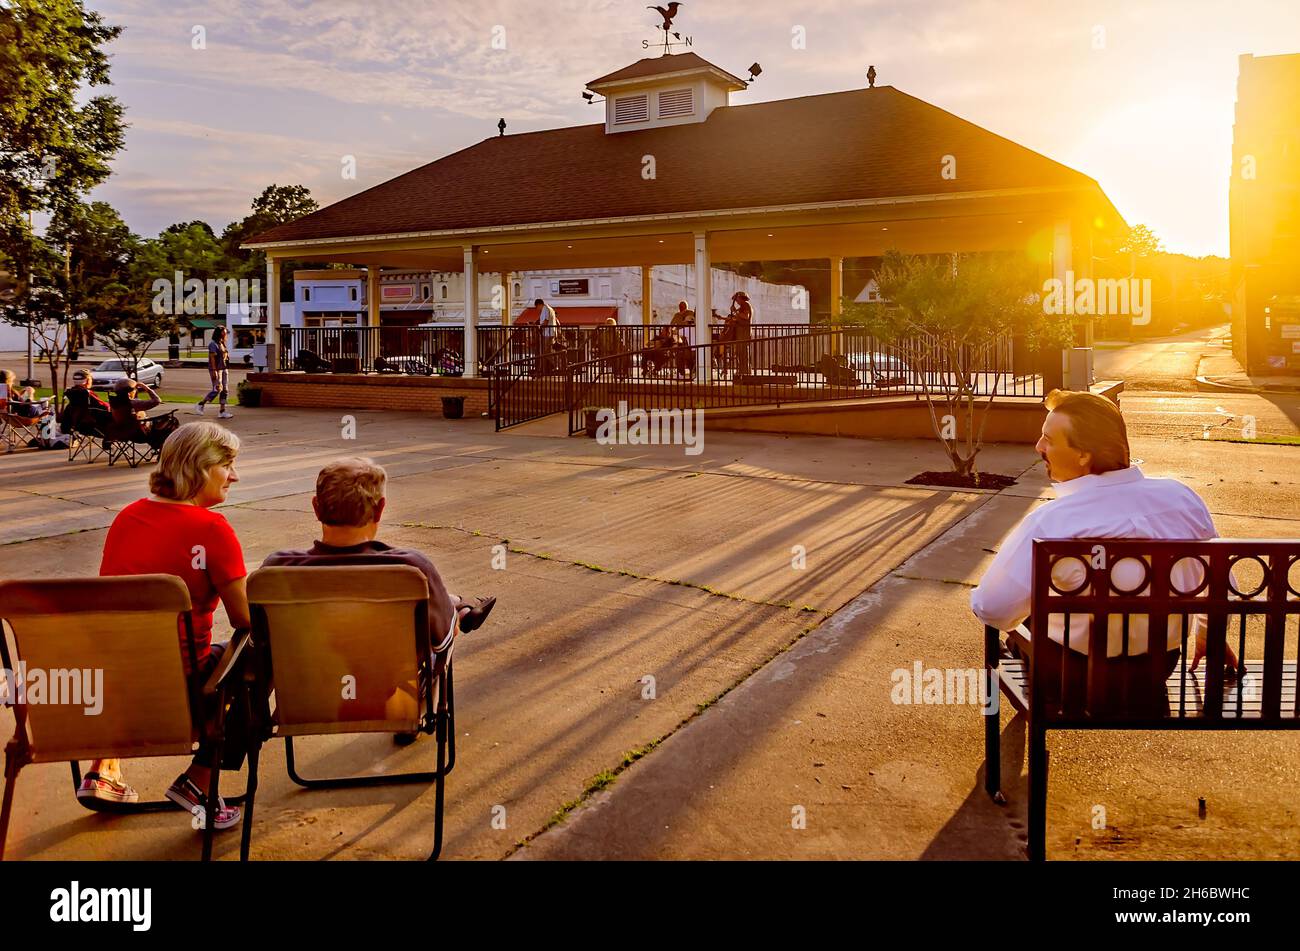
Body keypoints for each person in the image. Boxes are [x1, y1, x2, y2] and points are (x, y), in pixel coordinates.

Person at [970, 389, 1235, 712]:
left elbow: (993, 609)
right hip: (1153, 673)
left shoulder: (1052, 522)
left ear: (1084, 454)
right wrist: (1207, 636)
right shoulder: (1181, 499)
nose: (1039, 447)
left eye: (1049, 439)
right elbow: (1223, 584)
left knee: (1013, 630)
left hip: (1071, 680)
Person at [84, 422, 248, 831]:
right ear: (200, 467)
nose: (234, 475)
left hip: (114, 682)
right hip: (179, 690)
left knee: (134, 646)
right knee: (263, 649)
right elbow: (248, 620)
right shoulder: (212, 530)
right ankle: (200, 779)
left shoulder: (128, 517)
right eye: (226, 464)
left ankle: (103, 766)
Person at [261, 458, 488, 743]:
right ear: (380, 508)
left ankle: (457, 604)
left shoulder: (277, 569)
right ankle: (458, 611)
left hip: (308, 700)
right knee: (445, 631)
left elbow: (261, 644)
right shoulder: (410, 568)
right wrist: (451, 621)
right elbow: (441, 641)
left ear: (316, 507)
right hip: (387, 695)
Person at [108, 377, 177, 450]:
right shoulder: (133, 403)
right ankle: (163, 448)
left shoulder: (114, 402)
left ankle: (159, 446)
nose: (136, 391)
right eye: (135, 389)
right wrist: (146, 388)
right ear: (129, 392)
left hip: (123, 433)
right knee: (171, 421)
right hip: (140, 435)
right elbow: (157, 401)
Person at [195, 326, 234, 419]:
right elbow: (212, 359)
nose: (226, 334)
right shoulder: (213, 344)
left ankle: (222, 411)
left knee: (225, 390)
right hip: (217, 370)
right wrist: (214, 371)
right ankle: (200, 404)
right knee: (217, 389)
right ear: (220, 333)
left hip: (224, 369)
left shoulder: (222, 343)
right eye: (224, 332)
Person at [728, 291, 753, 377]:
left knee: (743, 352)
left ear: (741, 298)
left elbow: (746, 316)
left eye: (737, 299)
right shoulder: (742, 306)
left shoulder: (746, 305)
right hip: (741, 333)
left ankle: (745, 371)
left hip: (744, 333)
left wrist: (735, 311)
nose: (737, 301)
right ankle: (742, 370)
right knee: (740, 352)